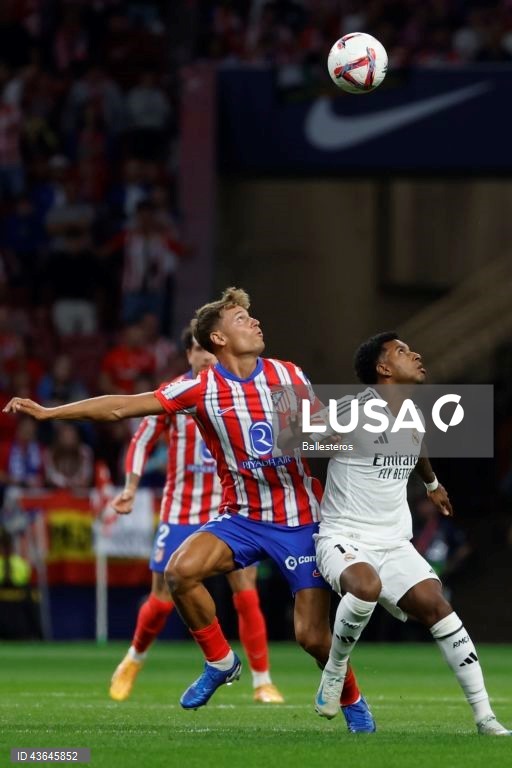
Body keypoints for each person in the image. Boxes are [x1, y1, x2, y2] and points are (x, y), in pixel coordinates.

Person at [2, 286, 374, 733]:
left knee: (312, 637)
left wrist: (342, 437)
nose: (255, 322)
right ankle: (220, 661)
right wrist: (50, 413)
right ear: (218, 338)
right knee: (180, 572)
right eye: (242, 319)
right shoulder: (201, 388)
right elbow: (120, 408)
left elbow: (322, 432)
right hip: (241, 517)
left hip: (298, 520)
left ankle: (352, 698)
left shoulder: (286, 375)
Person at [300, 331, 508, 736]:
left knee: (437, 606)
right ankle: (336, 669)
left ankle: (485, 718)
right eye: (402, 351)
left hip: (395, 542)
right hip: (345, 536)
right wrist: (319, 439)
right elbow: (295, 436)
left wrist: (432, 484)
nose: (415, 354)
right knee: (366, 587)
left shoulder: (411, 412)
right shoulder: (352, 410)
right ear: (383, 368)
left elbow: (417, 445)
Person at [109, 325, 284, 704]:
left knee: (246, 591)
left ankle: (263, 682)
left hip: (232, 510)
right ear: (188, 354)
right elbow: (142, 439)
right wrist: (130, 486)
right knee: (161, 597)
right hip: (181, 509)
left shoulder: (239, 389)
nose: (206, 356)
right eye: (198, 350)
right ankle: (133, 659)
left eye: (210, 349)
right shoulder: (174, 392)